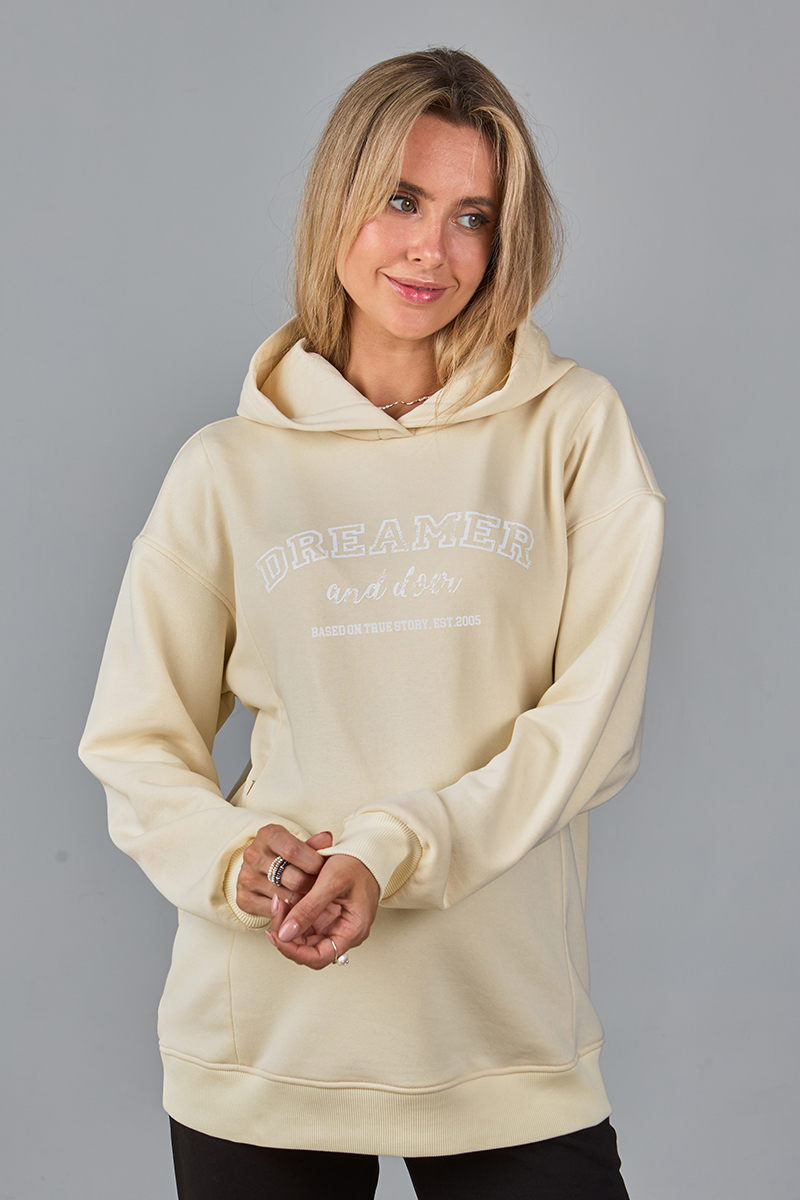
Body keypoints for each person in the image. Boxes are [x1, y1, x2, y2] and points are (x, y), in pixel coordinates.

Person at [79, 47, 664, 1199]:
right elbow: (134, 742)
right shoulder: (226, 469)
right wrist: (237, 860)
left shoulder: (571, 432)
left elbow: (590, 728)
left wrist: (391, 848)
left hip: (501, 1037)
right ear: (335, 199)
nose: (429, 249)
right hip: (266, 1042)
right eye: (400, 199)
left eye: (469, 216)